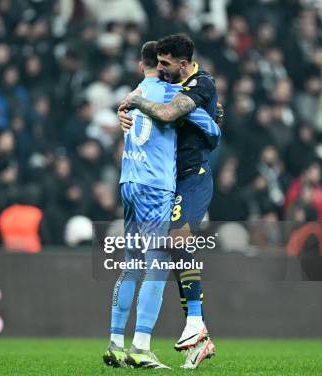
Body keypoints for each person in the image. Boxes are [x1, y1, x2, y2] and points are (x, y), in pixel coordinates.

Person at [104, 41, 219, 369]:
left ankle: (115, 343)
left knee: (131, 265)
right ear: (160, 64)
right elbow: (212, 128)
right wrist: (212, 121)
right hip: (156, 186)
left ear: (142, 67)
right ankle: (141, 345)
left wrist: (128, 106)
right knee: (158, 264)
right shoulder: (168, 95)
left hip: (128, 182)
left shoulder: (135, 91)